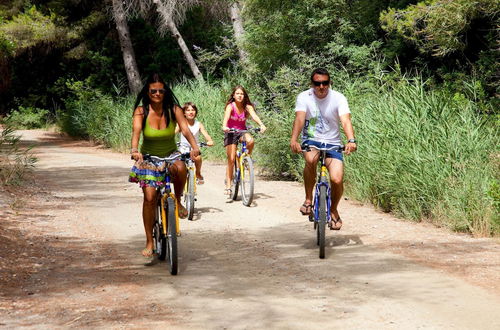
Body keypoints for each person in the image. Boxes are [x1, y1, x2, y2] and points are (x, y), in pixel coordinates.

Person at [129, 73, 200, 257]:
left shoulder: (173, 109)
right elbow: (136, 133)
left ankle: (176, 199)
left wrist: (194, 147)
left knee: (181, 167)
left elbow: (185, 129)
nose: (158, 94)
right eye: (154, 91)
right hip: (149, 158)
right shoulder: (141, 111)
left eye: (161, 90)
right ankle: (149, 241)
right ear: (147, 92)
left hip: (170, 154)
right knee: (150, 199)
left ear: (165, 92)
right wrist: (134, 149)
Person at [289, 68, 357, 230]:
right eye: (317, 83)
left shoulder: (338, 98)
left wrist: (351, 140)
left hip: (332, 142)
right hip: (311, 140)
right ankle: (308, 200)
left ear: (329, 83)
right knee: (310, 161)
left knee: (337, 179)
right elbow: (299, 118)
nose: (321, 87)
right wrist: (294, 140)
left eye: (325, 83)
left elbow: (345, 120)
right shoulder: (304, 97)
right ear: (312, 84)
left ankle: (333, 210)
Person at [222, 85, 266, 196]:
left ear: (244, 95)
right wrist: (224, 126)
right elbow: (226, 118)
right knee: (231, 159)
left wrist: (261, 124)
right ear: (233, 95)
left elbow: (254, 116)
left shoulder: (247, 106)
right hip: (231, 132)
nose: (240, 96)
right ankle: (228, 185)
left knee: (250, 141)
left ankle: (246, 159)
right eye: (237, 93)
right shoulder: (230, 106)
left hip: (242, 132)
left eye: (242, 94)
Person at [175, 102, 214, 184]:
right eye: (188, 110)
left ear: (196, 112)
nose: (190, 112)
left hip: (194, 149)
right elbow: (172, 133)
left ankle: (198, 173)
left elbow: (205, 134)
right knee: (179, 167)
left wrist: (209, 141)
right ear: (184, 113)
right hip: (183, 149)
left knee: (198, 158)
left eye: (193, 110)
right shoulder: (181, 124)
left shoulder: (198, 124)